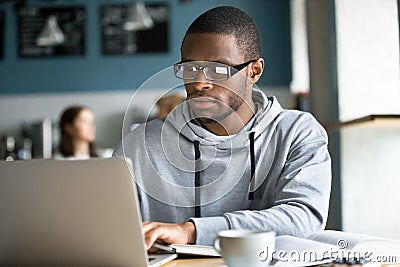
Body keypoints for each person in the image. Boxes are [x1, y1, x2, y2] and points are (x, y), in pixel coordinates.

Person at [113, 6, 331, 249]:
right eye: (190, 68)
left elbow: (304, 218)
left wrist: (191, 232)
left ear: (254, 71)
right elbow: (109, 229)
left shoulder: (298, 134)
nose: (200, 82)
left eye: (218, 70)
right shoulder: (139, 145)